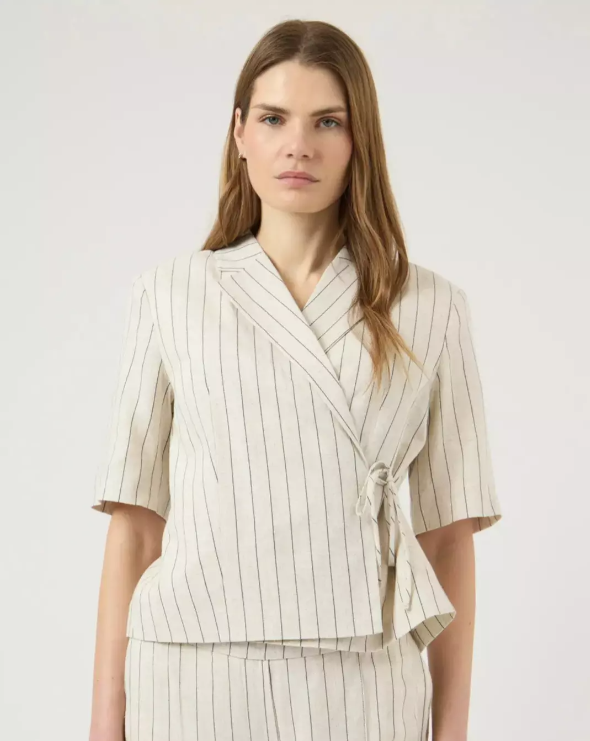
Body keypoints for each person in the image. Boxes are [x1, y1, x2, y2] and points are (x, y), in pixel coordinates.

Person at [88, 18, 502, 741]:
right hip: (189, 673)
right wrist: (104, 724)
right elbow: (136, 525)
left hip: (366, 681)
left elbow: (448, 537)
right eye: (274, 118)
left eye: (327, 121)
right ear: (240, 132)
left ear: (359, 139)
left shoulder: (432, 307)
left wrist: (453, 730)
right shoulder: (171, 294)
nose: (298, 145)